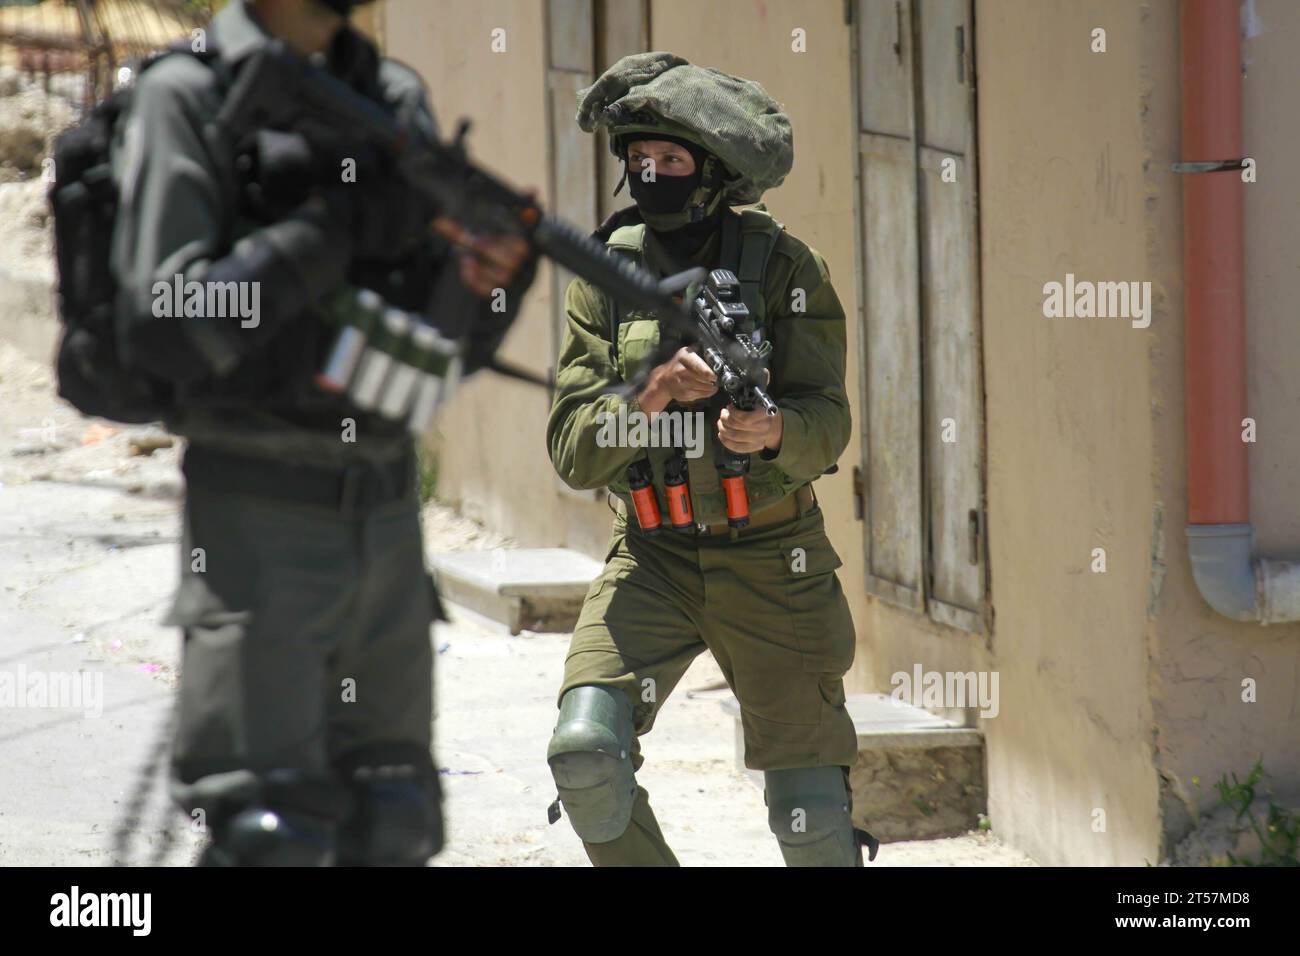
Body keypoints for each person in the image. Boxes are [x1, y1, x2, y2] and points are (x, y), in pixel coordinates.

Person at [109, 0, 532, 865]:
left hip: (383, 515)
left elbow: (433, 358)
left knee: (394, 818)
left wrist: (489, 287)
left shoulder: (390, 98)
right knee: (271, 833)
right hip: (258, 513)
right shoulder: (189, 94)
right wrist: (324, 235)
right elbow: (168, 318)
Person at [546, 52, 871, 866]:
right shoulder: (606, 270)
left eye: (672, 161)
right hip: (650, 554)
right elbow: (572, 450)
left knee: (810, 814)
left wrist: (773, 436)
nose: (651, 175)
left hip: (771, 552)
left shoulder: (787, 267)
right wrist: (646, 394)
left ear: (713, 173)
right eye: (639, 161)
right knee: (585, 755)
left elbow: (828, 419)